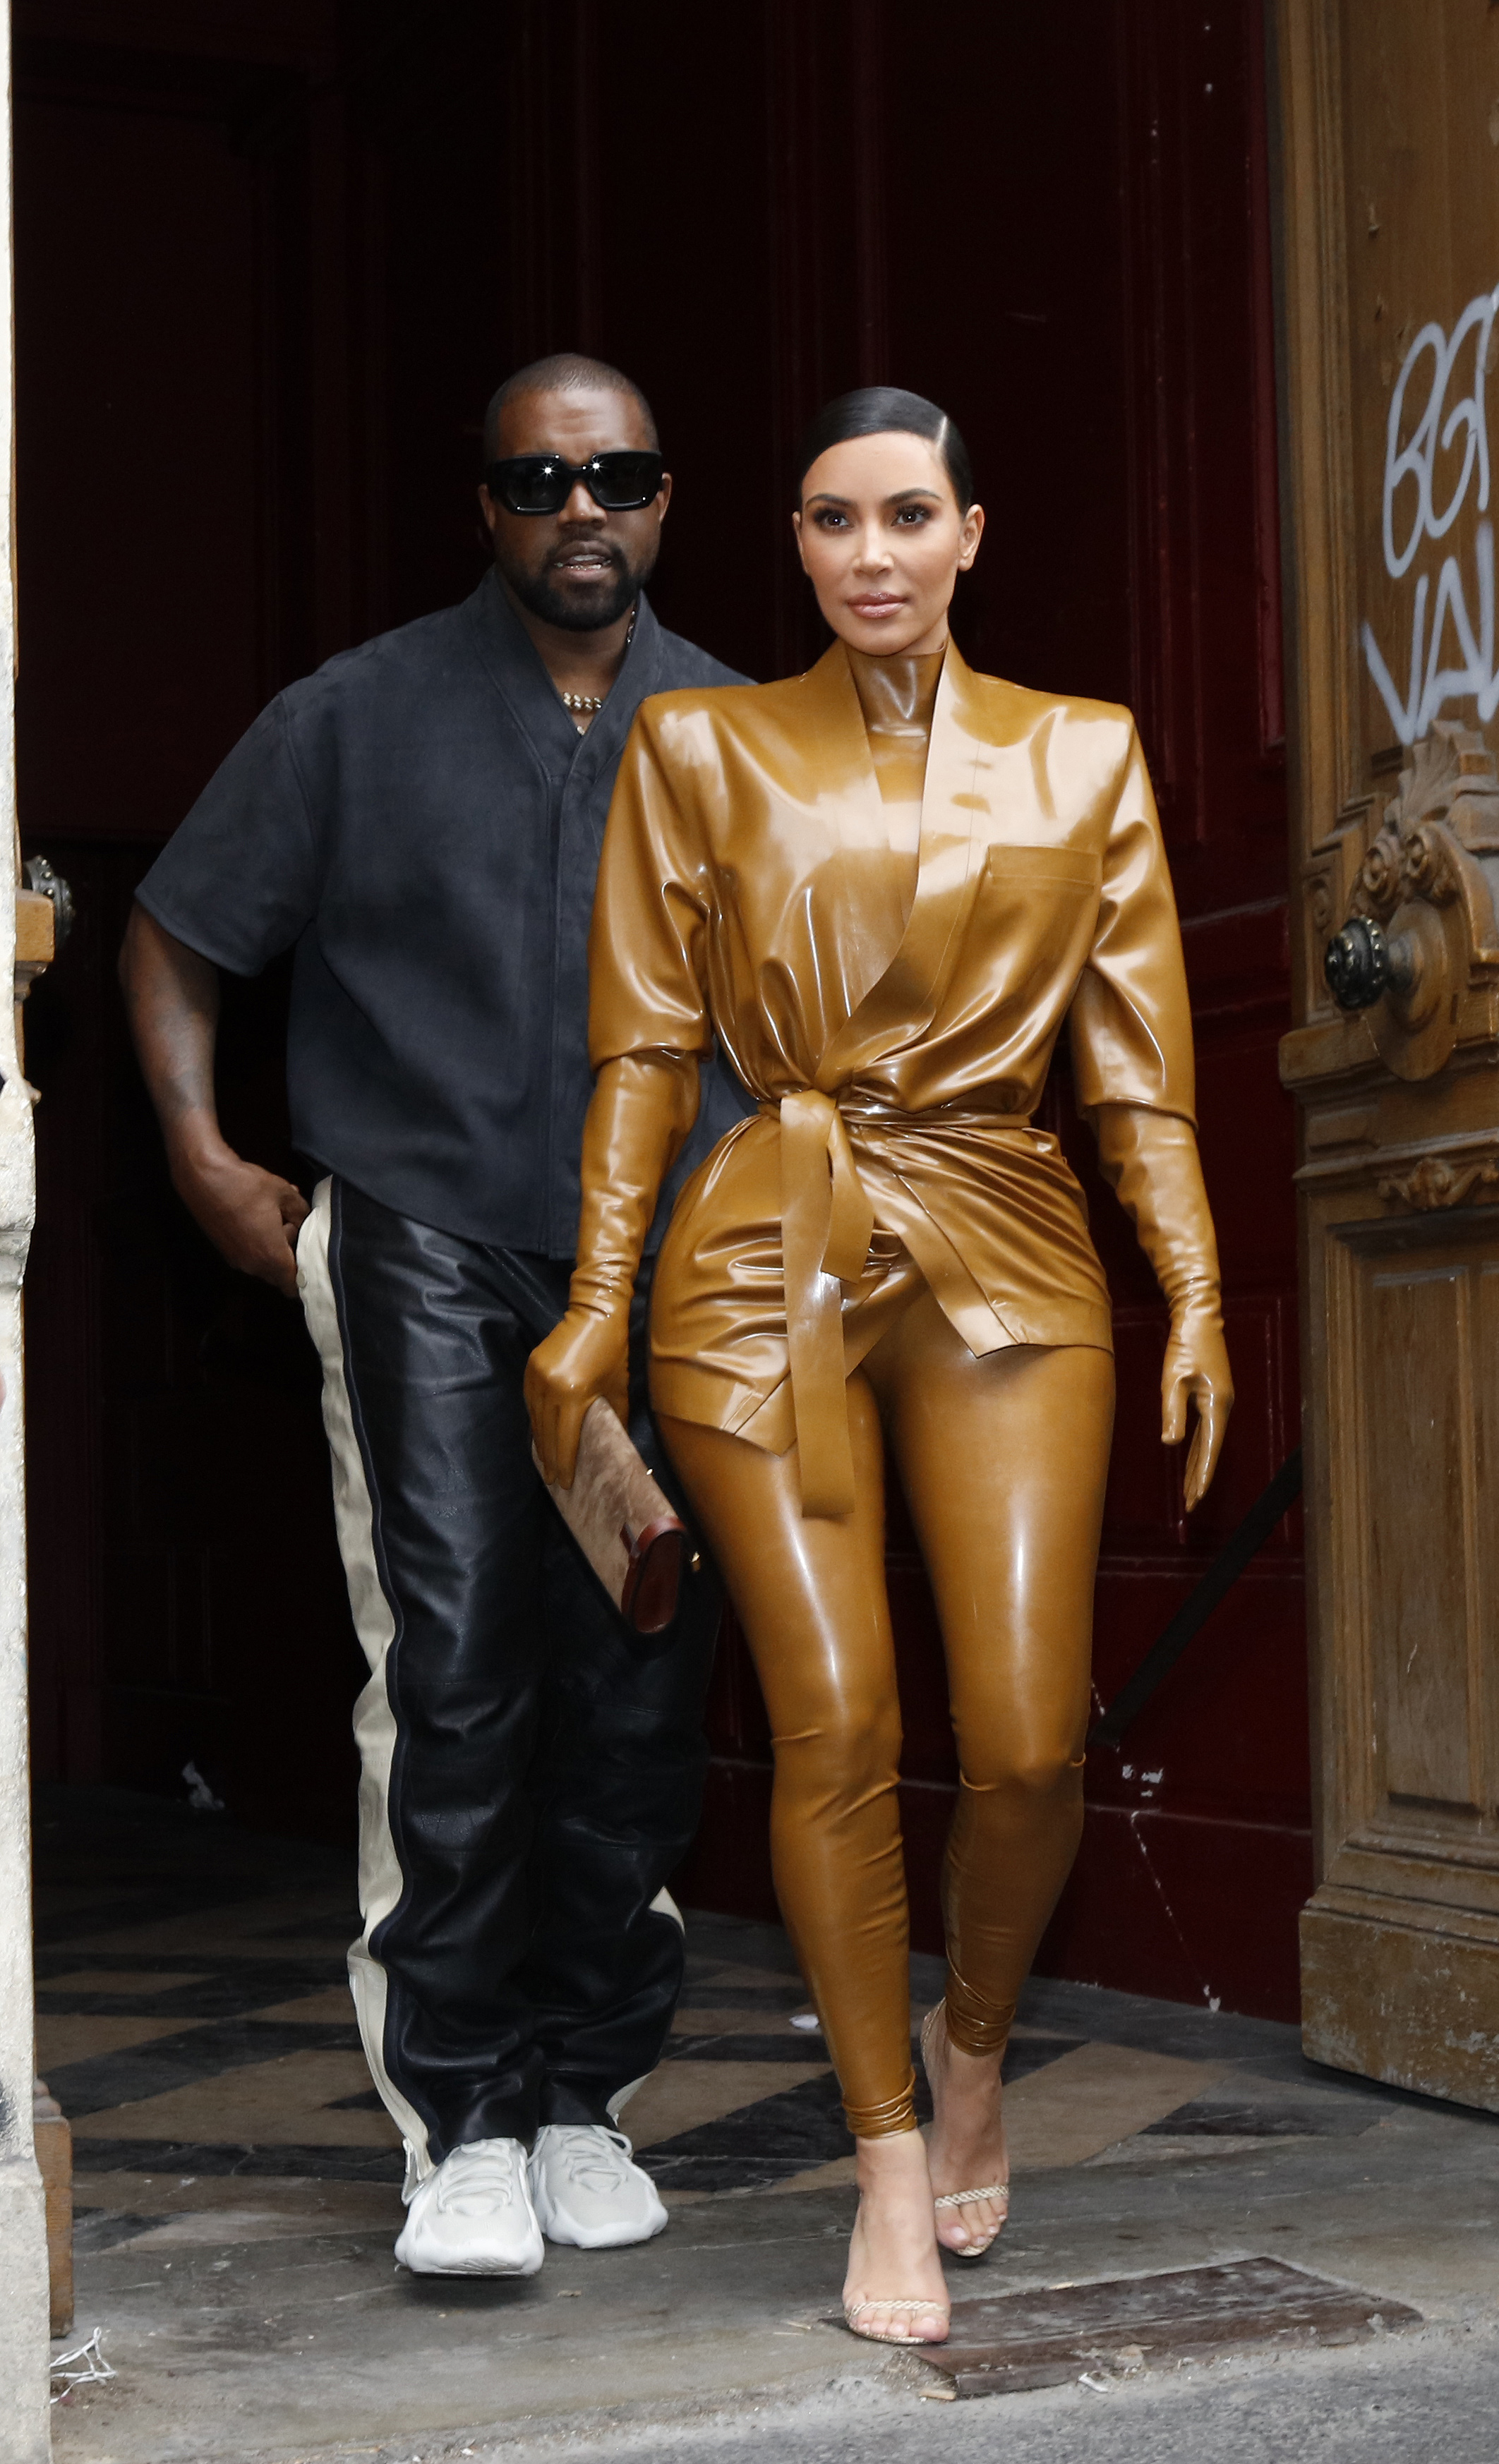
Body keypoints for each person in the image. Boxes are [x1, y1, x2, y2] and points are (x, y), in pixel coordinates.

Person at [525, 386, 1232, 2343]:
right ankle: (890, 2161)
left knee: (1020, 1742)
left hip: (1010, 1232)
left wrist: (1198, 1284)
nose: (872, 554)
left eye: (909, 515)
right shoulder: (702, 745)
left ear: (972, 533)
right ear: (798, 543)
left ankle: (975, 2030)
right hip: (771, 1243)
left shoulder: (1081, 754)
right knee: (833, 1720)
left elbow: (1139, 1066)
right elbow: (647, 1052)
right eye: (834, 520)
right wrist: (595, 1300)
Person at [121, 353, 752, 2278]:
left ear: (664, 500)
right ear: (486, 505)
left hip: (668, 1265)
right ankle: (460, 2116)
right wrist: (201, 1155)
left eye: (619, 473)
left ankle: (581, 2094)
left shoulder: (743, 731)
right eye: (541, 477)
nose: (584, 506)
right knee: (460, 1668)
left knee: (636, 1683)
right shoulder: (355, 716)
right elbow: (172, 932)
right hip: (426, 1244)